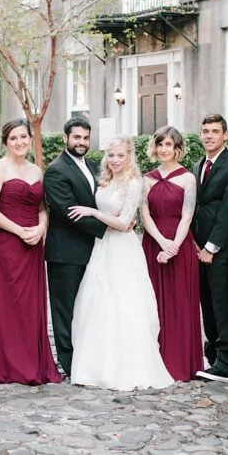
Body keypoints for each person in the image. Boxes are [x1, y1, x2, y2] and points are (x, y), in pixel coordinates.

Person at [69, 136, 174, 390]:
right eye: (111, 155)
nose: (115, 160)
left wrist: (94, 212)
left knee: (124, 302)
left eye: (120, 155)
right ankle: (95, 367)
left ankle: (126, 368)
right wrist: (106, 216)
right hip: (102, 247)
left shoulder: (133, 183)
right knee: (98, 302)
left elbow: (125, 222)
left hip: (122, 248)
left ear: (129, 157)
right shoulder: (105, 181)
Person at [0, 118, 62, 385]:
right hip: (6, 244)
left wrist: (41, 228)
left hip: (33, 245)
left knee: (29, 306)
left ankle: (31, 360)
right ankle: (8, 364)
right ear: (6, 142)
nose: (19, 142)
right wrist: (19, 231)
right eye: (13, 138)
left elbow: (42, 208)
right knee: (8, 304)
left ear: (30, 139)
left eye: (23, 137)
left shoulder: (36, 171)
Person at [43, 118, 107, 377]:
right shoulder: (55, 170)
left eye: (85, 138)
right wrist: (109, 228)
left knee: (88, 307)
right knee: (65, 309)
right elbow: (70, 212)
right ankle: (69, 363)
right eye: (76, 137)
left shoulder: (93, 166)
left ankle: (87, 357)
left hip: (92, 250)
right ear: (65, 138)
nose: (81, 142)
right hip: (65, 252)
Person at [141, 126, 203, 382]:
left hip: (180, 243)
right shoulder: (147, 179)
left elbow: (188, 215)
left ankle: (179, 362)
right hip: (153, 242)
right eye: (160, 144)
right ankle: (154, 361)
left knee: (180, 302)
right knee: (152, 301)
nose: (164, 149)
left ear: (177, 148)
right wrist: (161, 242)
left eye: (169, 144)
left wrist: (174, 246)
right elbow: (144, 215)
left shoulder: (188, 178)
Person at [191, 114, 228, 382]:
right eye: (205, 131)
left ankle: (227, 361)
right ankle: (213, 354)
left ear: (225, 135)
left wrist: (211, 247)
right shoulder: (198, 165)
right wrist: (194, 243)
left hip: (219, 249)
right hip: (197, 247)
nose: (209, 136)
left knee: (223, 302)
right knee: (207, 302)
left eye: (215, 131)